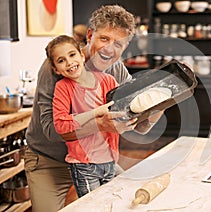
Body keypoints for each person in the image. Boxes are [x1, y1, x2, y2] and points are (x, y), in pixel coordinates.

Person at [25, 5, 162, 212]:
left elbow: (139, 126)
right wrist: (99, 125)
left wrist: (159, 105)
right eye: (104, 39)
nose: (109, 49)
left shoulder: (116, 72)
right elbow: (52, 132)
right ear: (89, 35)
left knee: (127, 204)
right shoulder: (58, 66)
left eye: (118, 44)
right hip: (49, 161)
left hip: (95, 162)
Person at [47, 35, 121, 197]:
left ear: (81, 55)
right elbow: (60, 124)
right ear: (56, 69)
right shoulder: (63, 87)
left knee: (111, 203)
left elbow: (123, 107)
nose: (69, 63)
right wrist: (95, 112)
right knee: (93, 206)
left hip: (109, 159)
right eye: (61, 60)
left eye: (72, 55)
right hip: (84, 165)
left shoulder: (108, 81)